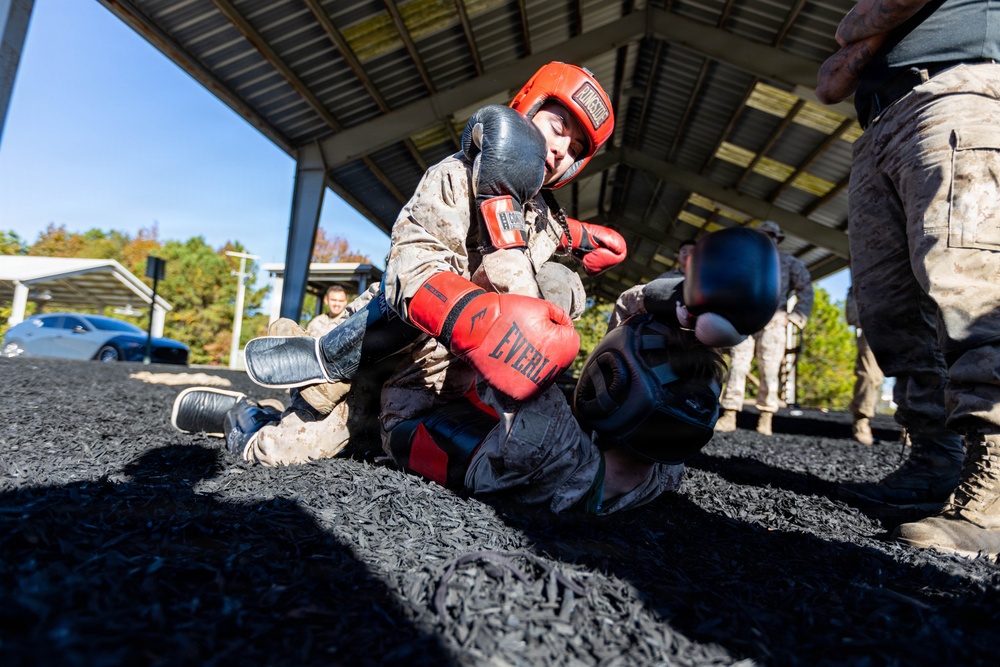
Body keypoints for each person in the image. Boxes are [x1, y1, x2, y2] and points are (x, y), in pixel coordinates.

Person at [173, 63, 776, 514]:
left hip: (465, 371)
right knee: (295, 446)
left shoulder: (540, 218)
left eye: (575, 147)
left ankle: (286, 401)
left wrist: (639, 285)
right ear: (525, 108)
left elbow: (537, 266)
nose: (559, 148)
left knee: (561, 291)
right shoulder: (456, 177)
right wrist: (490, 309)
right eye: (556, 126)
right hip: (398, 348)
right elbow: (412, 268)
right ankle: (259, 406)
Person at [817, 0, 1000, 557]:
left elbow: (855, 32)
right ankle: (935, 460)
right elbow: (828, 86)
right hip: (881, 121)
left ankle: (995, 487)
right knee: (889, 310)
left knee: (970, 289)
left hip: (955, 92)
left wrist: (856, 31)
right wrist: (862, 32)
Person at [714, 221, 813, 436]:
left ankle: (766, 416)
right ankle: (729, 413)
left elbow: (806, 288)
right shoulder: (743, 261)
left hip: (774, 323)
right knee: (738, 365)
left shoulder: (789, 263)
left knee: (769, 370)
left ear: (778, 239)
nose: (768, 238)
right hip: (745, 321)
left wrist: (795, 317)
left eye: (771, 235)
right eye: (763, 234)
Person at [846, 284, 884, 445]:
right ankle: (861, 420)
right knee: (869, 374)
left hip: (911, 323)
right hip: (874, 322)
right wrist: (859, 319)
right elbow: (856, 287)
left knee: (914, 374)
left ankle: (912, 427)